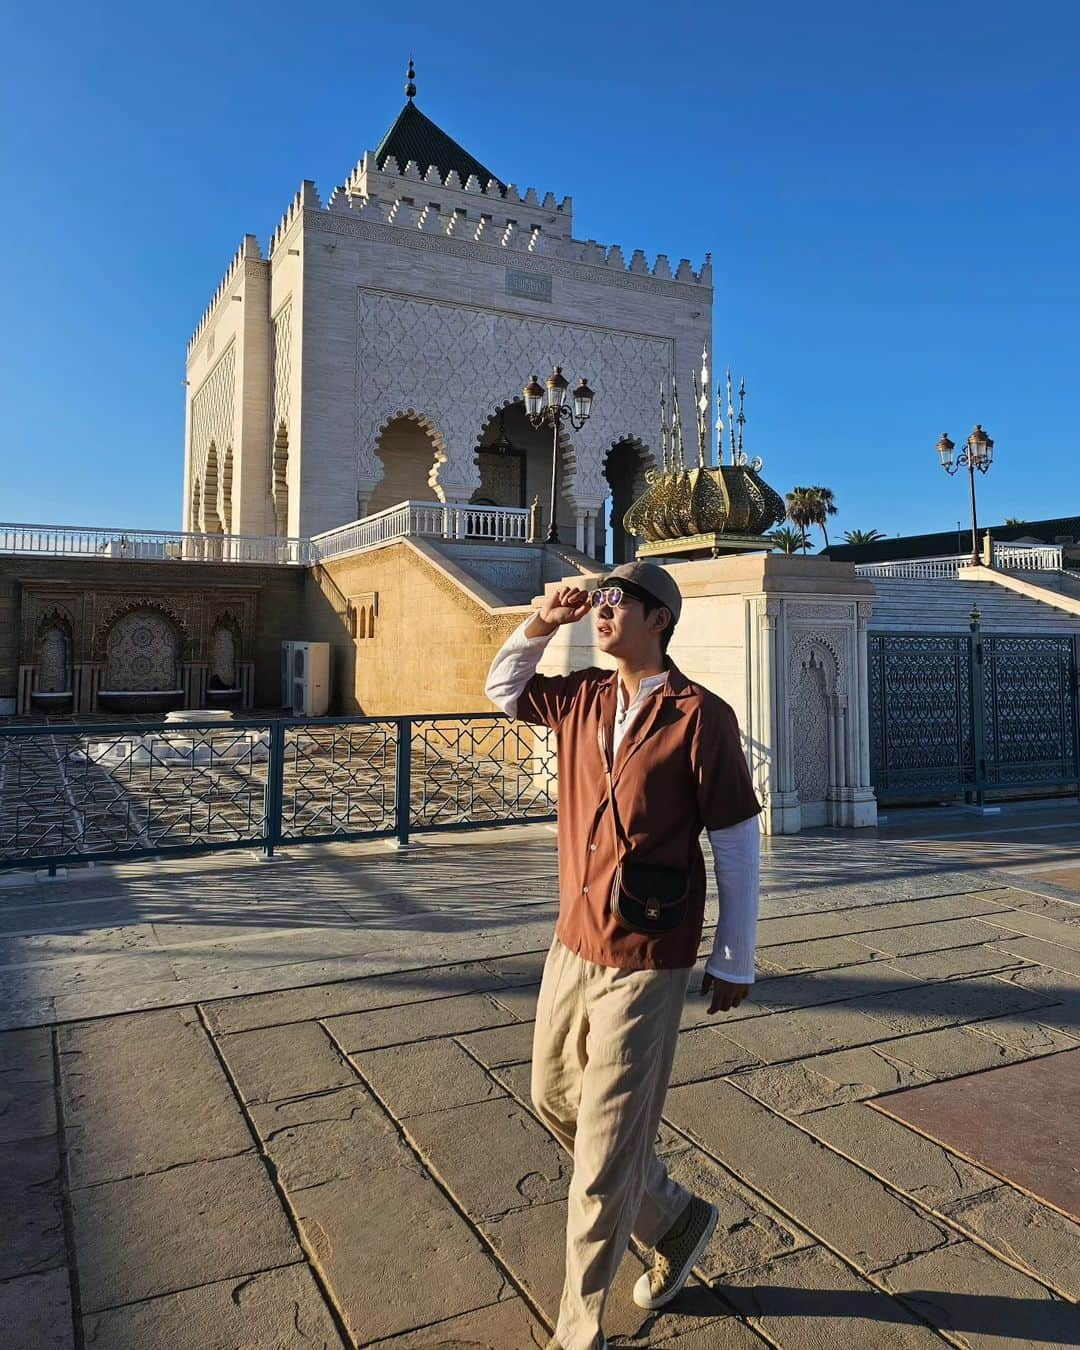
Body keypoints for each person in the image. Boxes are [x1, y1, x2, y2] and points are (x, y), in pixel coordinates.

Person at [485, 560, 762, 1350]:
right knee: (552, 1098)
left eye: (617, 602)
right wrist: (545, 618)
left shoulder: (699, 715)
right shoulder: (580, 697)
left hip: (649, 951)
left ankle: (578, 1331)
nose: (602, 612)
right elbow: (501, 687)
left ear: (658, 620)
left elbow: (736, 838)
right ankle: (675, 1217)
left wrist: (735, 955)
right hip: (573, 942)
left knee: (604, 1149)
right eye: (599, 601)